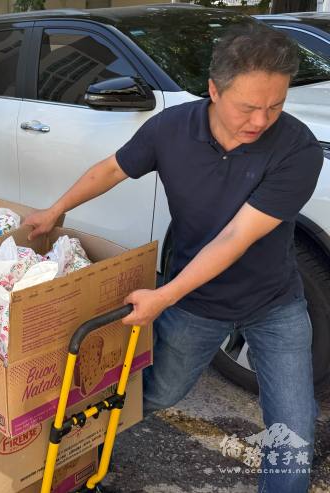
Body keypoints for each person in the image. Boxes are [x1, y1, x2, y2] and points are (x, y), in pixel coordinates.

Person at [25, 24, 322, 492]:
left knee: (294, 427)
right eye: (248, 107)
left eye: (276, 106)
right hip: (195, 302)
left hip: (273, 302)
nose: (262, 120)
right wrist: (56, 210)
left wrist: (163, 295)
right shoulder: (171, 128)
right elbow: (111, 169)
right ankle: (75, 465)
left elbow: (234, 239)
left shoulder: (298, 147)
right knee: (154, 393)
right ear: (213, 90)